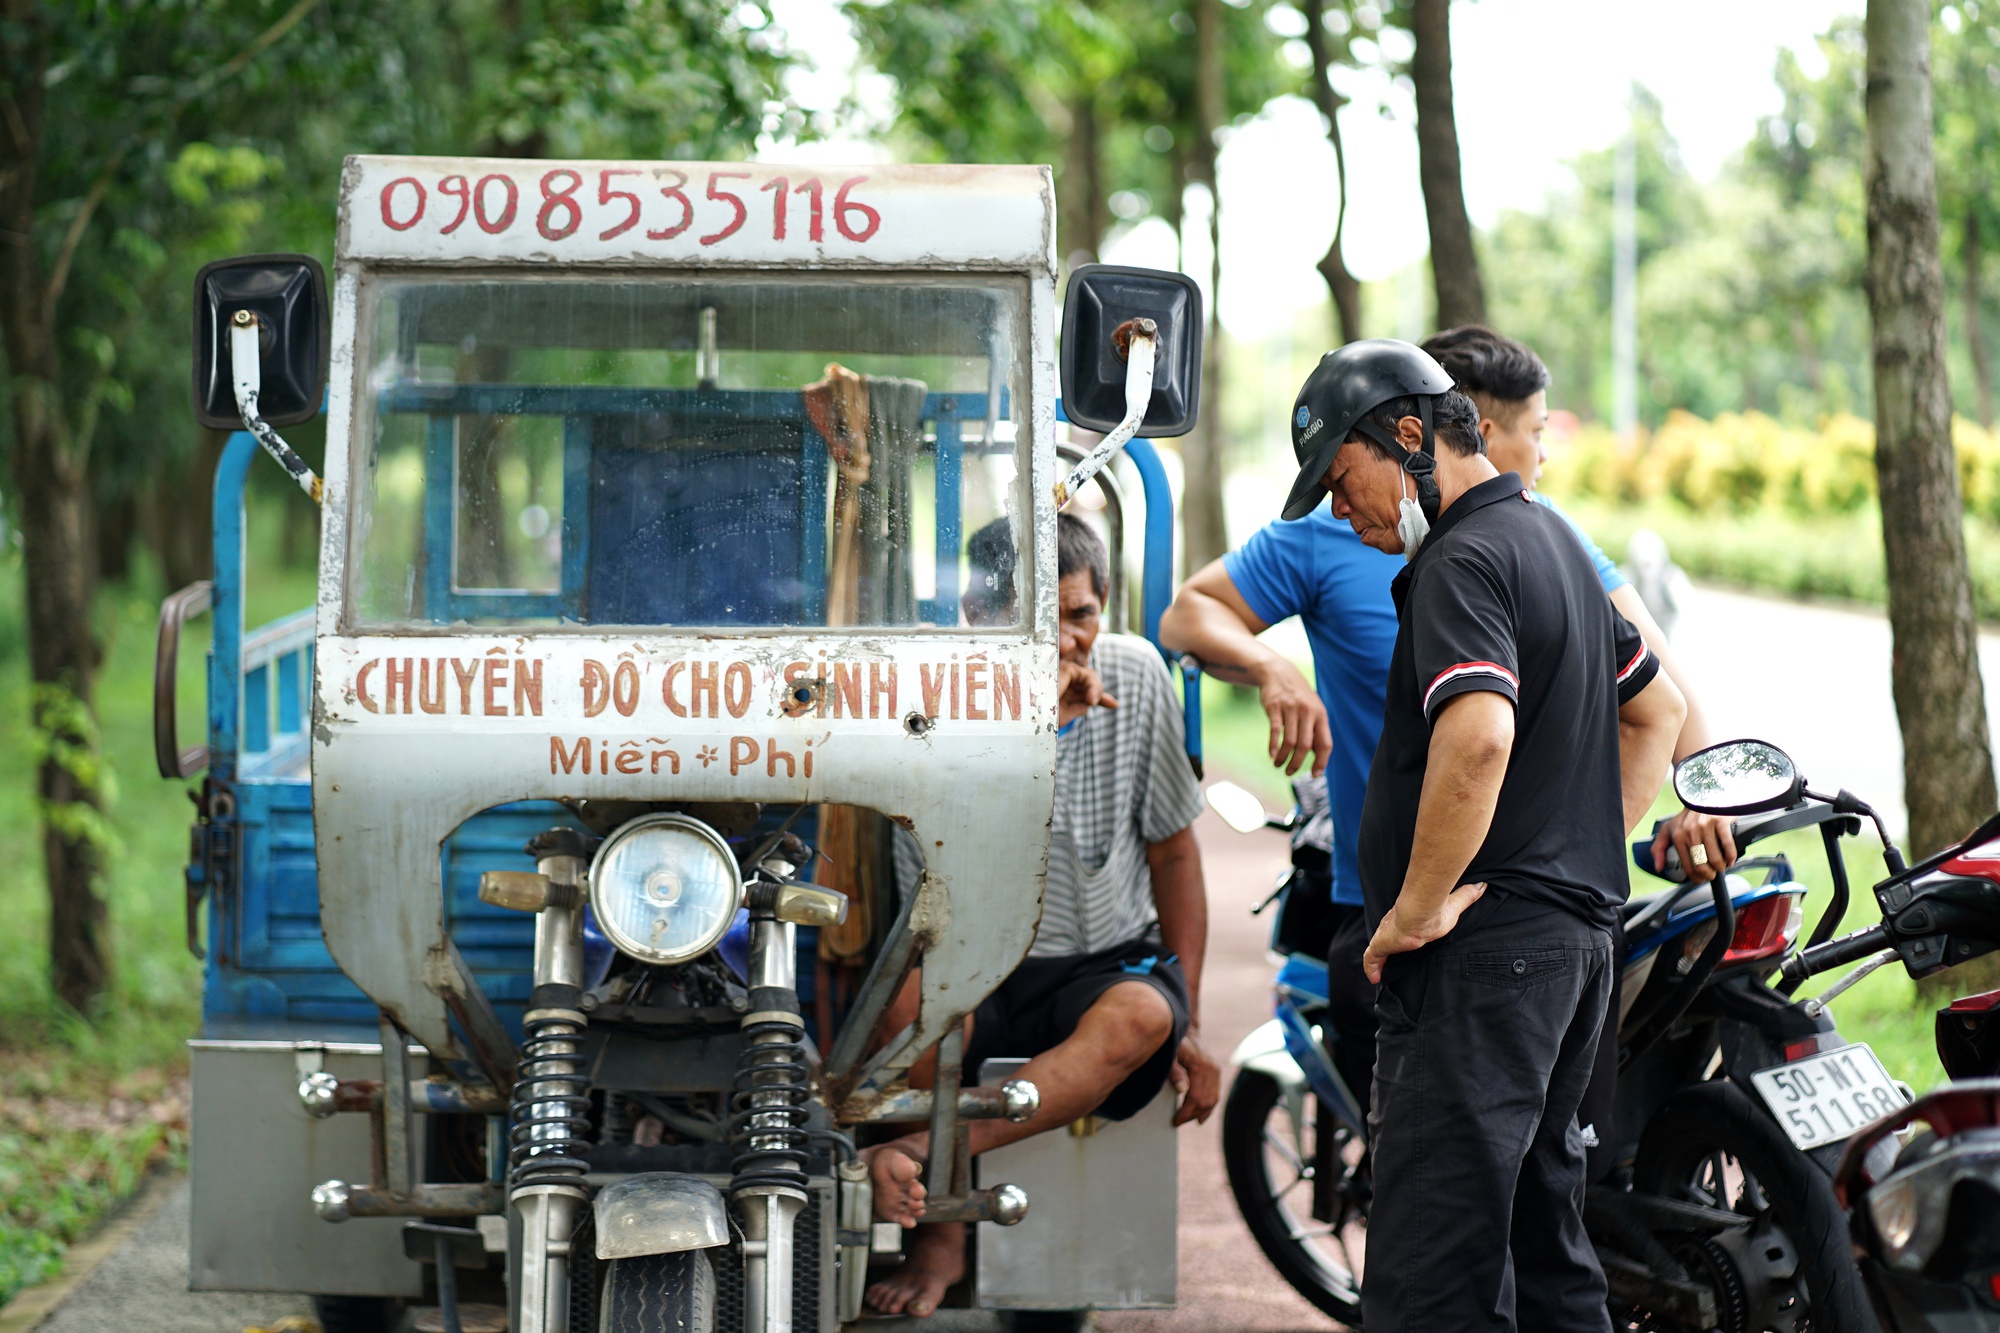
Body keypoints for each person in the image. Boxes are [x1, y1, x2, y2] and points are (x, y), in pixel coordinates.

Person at [1282, 338, 1686, 1331]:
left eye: (1342, 478)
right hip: (1568, 952)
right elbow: (1659, 709)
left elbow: (1476, 734)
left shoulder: (1459, 559)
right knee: (1545, 1251)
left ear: (1409, 436)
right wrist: (1568, 847)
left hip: (1481, 963)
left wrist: (1410, 913)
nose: (1342, 509)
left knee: (1433, 1270)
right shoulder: (1549, 540)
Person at [862, 514, 1219, 1318]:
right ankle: (943, 1236)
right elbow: (943, 897)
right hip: (975, 951)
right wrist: (1034, 731)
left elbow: (1175, 856)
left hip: (1101, 963)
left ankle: (924, 1149)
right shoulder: (929, 703)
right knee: (914, 1012)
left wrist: (1185, 1013)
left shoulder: (1137, 677)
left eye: (1081, 615)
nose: (1066, 640)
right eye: (1037, 621)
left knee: (1141, 1017)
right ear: (978, 620)